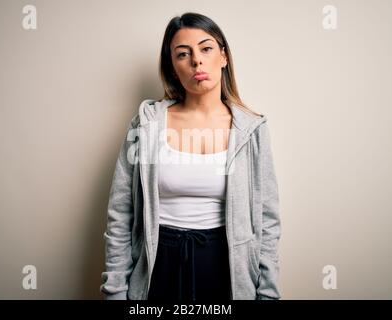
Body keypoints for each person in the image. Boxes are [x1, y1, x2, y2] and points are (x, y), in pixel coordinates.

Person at [100, 12, 281, 301]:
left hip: (225, 267)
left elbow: (268, 220)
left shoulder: (252, 130)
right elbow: (121, 213)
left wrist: (267, 292)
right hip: (158, 264)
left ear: (223, 57)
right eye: (183, 54)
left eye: (206, 48)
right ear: (173, 68)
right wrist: (115, 291)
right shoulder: (145, 125)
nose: (196, 60)